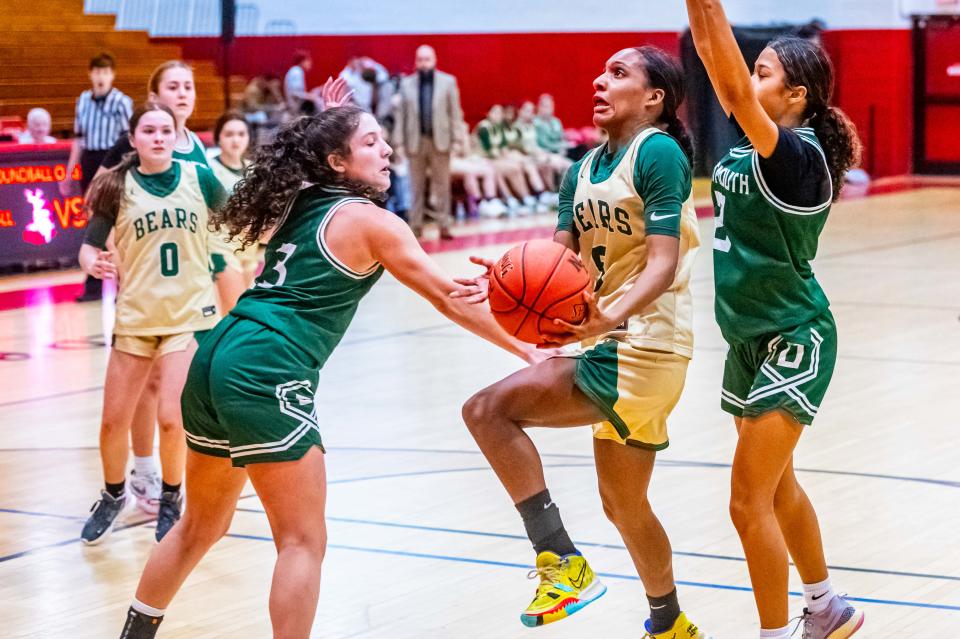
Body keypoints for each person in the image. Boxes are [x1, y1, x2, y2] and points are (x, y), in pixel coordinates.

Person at [117, 105, 542, 639]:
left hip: (217, 355)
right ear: (338, 161)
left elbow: (306, 152)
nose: (387, 150)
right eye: (371, 142)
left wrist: (329, 112)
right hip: (266, 366)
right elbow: (450, 301)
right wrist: (529, 350)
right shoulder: (372, 222)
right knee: (302, 540)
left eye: (384, 140)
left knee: (200, 525)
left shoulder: (302, 201)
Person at [455, 46, 712, 639]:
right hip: (612, 343)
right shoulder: (581, 169)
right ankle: (670, 624)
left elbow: (663, 263)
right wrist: (501, 277)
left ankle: (561, 561)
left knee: (487, 411)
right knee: (624, 505)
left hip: (643, 344)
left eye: (619, 73)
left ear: (654, 100)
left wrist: (608, 317)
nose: (600, 79)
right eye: (601, 70)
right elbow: (557, 264)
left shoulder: (659, 152)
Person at [684, 2, 864, 638]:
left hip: (795, 335)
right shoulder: (759, 142)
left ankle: (773, 634)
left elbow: (728, 84)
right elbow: (714, 59)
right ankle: (826, 609)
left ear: (795, 95)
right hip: (750, 338)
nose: (745, 81)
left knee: (745, 501)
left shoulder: (798, 156)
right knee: (779, 487)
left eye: (762, 73)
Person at [78, 102, 226, 547]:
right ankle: (113, 493)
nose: (159, 137)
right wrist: (95, 264)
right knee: (112, 423)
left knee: (170, 417)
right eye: (150, 130)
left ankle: (171, 497)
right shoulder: (115, 185)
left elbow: (240, 217)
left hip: (189, 314)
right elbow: (87, 247)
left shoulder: (199, 178)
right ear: (135, 137)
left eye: (166, 130)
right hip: (137, 316)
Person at [62, 52, 134, 303]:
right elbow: (79, 139)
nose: (101, 76)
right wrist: (70, 172)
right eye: (97, 72)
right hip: (90, 159)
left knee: (117, 223)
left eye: (106, 72)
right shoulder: (82, 100)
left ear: (112, 75)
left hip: (114, 161)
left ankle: (124, 284)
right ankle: (94, 282)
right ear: (90, 74)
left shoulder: (121, 102)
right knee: (94, 220)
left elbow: (130, 141)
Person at [394, 45, 463, 239]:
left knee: (442, 186)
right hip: (415, 142)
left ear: (434, 60)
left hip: (440, 141)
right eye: (420, 60)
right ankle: (415, 225)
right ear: (416, 62)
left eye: (427, 59)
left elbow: (455, 113)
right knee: (415, 186)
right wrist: (398, 143)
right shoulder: (406, 84)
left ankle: (444, 224)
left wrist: (457, 140)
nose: (424, 63)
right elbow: (401, 116)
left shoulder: (448, 82)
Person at [207, 111, 257, 309]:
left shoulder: (254, 170)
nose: (235, 140)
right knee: (230, 309)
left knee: (242, 309)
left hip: (248, 248)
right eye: (229, 134)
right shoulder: (209, 169)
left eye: (241, 134)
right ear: (218, 137)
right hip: (221, 247)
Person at [450, 121, 509, 218]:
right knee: (471, 172)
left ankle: (490, 201)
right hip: (450, 162)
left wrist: (464, 137)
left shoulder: (461, 128)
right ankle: (479, 203)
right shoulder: (444, 129)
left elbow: (467, 153)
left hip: (462, 160)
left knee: (488, 169)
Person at [284, 50, 321, 115]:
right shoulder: (296, 71)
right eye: (308, 61)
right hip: (296, 109)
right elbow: (295, 93)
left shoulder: (295, 70)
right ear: (302, 61)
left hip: (296, 107)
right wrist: (310, 96)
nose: (310, 63)